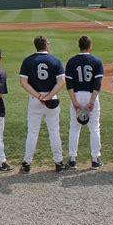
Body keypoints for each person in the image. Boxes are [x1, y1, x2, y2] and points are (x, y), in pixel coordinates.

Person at [19, 36, 66, 174]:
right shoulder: (55, 60)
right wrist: (49, 96)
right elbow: (62, 81)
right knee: (54, 132)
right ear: (46, 45)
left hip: (35, 100)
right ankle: (59, 163)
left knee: (32, 133)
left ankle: (27, 163)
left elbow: (23, 82)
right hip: (51, 100)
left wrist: (38, 96)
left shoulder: (28, 61)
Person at [65, 36, 104, 170]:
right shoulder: (97, 61)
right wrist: (92, 102)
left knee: (75, 128)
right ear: (90, 46)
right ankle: (95, 159)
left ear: (79, 45)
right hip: (91, 95)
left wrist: (74, 101)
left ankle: (72, 159)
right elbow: (97, 84)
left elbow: (69, 84)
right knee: (94, 128)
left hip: (76, 95)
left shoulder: (71, 61)